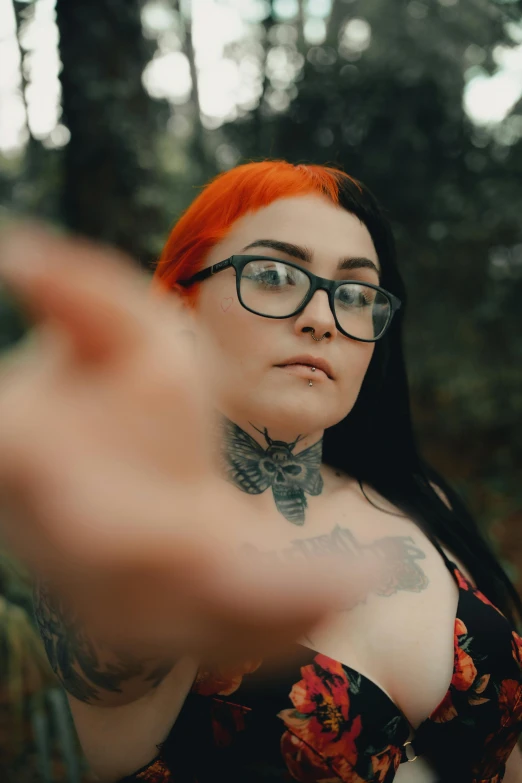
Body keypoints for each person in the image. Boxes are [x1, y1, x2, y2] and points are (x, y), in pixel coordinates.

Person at [0, 160, 521, 783]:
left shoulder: (416, 497)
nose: (323, 318)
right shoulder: (148, 533)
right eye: (274, 275)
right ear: (180, 307)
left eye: (356, 294)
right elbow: (109, 660)